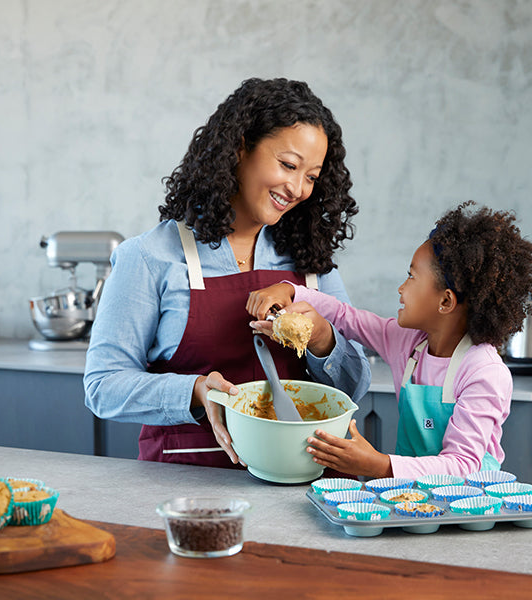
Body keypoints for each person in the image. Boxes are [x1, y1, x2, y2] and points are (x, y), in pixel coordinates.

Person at [84, 77, 371, 468]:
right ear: (239, 149)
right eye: (288, 165)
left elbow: (355, 387)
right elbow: (102, 387)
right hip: (186, 486)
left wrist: (323, 339)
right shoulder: (149, 257)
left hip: (300, 485)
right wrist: (196, 390)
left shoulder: (309, 262)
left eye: (311, 177)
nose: (298, 188)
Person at [247, 202, 532, 478]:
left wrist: (380, 466)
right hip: (411, 499)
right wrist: (292, 293)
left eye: (411, 277)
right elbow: (346, 316)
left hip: (469, 508)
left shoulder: (485, 372)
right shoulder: (406, 342)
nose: (401, 288)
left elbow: (462, 465)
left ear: (445, 301)